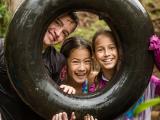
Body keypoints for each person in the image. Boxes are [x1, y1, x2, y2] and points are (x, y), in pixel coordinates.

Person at [0, 12, 78, 120]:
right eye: (57, 22)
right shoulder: (5, 46)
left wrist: (66, 90)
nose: (58, 33)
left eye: (65, 33)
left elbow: (56, 104)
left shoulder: (59, 61)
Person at [90, 29, 160, 120]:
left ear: (119, 51)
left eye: (111, 48)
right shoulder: (95, 90)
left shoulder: (142, 79)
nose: (106, 54)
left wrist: (158, 56)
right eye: (100, 50)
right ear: (95, 56)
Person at [52, 37, 97, 120]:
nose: (82, 68)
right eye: (75, 62)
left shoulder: (95, 81)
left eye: (87, 61)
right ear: (65, 62)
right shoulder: (55, 84)